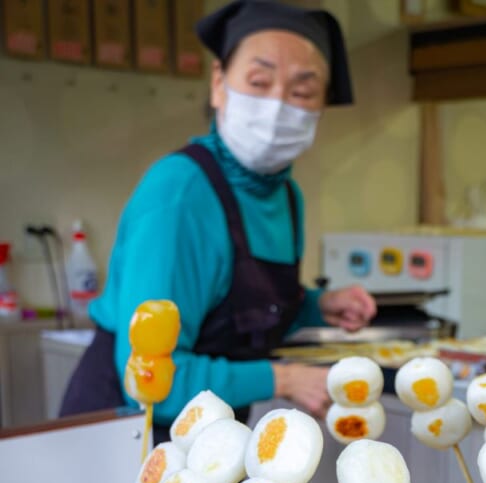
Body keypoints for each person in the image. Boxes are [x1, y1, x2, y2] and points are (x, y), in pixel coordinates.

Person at [60, 0, 376, 431]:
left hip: (213, 436)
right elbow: (156, 382)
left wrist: (317, 308)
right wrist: (283, 378)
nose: (277, 107)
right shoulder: (179, 194)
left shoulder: (287, 197)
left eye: (301, 92)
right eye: (259, 81)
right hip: (128, 434)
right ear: (218, 84)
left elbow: (242, 316)